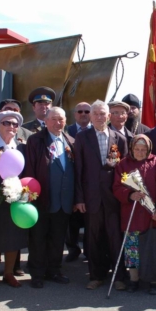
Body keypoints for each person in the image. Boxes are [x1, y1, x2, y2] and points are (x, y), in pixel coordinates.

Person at [74, 101, 129, 290]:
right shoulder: (82, 138)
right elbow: (78, 169)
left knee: (115, 237)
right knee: (94, 237)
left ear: (108, 116)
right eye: (95, 113)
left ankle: (120, 276)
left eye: (102, 113)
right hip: (91, 198)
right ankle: (96, 276)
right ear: (90, 116)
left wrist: (126, 194)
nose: (99, 117)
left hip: (114, 197)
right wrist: (79, 198)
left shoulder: (119, 139)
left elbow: (124, 170)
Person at [112, 134, 156, 294]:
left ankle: (154, 280)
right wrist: (129, 195)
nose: (140, 151)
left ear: (149, 149)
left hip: (152, 215)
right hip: (131, 213)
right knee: (132, 249)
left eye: (143, 149)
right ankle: (134, 279)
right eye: (137, 148)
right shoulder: (123, 164)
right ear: (131, 148)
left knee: (152, 248)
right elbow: (117, 186)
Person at [24, 107, 75, 288]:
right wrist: (30, 194)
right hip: (42, 198)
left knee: (57, 238)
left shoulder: (71, 141)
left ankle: (54, 270)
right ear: (46, 120)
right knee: (38, 238)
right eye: (53, 119)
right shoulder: (35, 140)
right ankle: (37, 274)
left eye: (61, 119)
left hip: (64, 200)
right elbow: (30, 168)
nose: (57, 123)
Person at [0, 111, 29, 289]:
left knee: (13, 236)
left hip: (16, 198)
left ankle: (8, 273)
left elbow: (27, 171)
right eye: (7, 123)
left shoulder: (21, 147)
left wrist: (26, 190)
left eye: (15, 124)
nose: (11, 127)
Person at [65, 101, 91, 262]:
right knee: (71, 222)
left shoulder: (95, 131)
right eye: (80, 111)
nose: (83, 114)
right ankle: (73, 249)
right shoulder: (67, 131)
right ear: (74, 114)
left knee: (90, 221)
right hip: (70, 181)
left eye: (87, 111)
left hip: (89, 184)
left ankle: (89, 250)